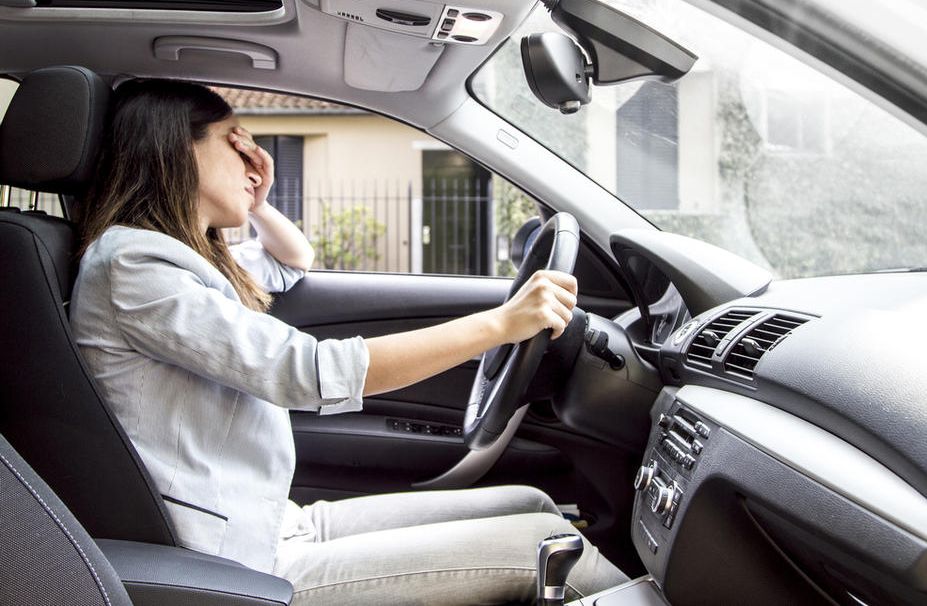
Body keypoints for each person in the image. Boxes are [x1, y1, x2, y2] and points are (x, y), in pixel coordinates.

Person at [70, 79, 627, 605]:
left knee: (534, 504)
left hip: (272, 523)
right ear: (176, 150)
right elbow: (307, 371)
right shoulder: (136, 264)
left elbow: (293, 260)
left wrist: (259, 201)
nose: (252, 158)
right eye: (234, 143)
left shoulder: (185, 260)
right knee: (552, 551)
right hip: (230, 561)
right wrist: (501, 324)